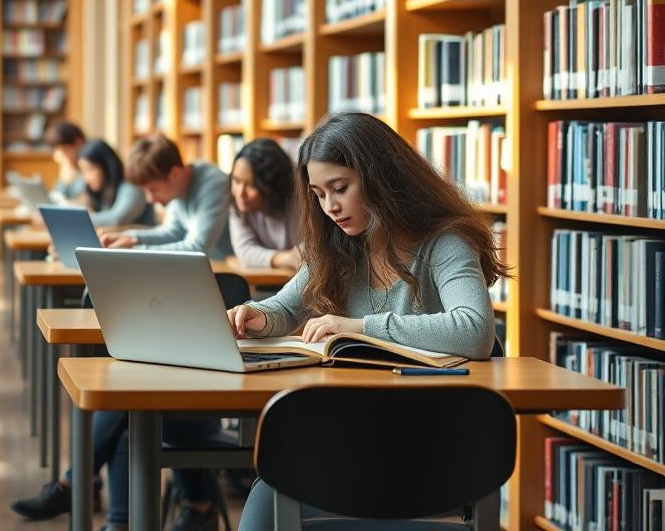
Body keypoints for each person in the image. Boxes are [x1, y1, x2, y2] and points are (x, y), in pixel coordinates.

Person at [228, 112, 504, 530]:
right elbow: (285, 308)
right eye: (319, 194)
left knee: (276, 486)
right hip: (349, 440)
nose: (330, 207)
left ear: (381, 177)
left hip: (434, 450)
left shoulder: (444, 242)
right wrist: (256, 317)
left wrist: (359, 327)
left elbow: (475, 330)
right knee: (270, 487)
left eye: (340, 189)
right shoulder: (339, 246)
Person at [100, 135, 233, 259]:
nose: (149, 199)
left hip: (231, 271)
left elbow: (198, 248)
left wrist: (136, 251)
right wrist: (131, 238)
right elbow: (173, 232)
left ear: (174, 174)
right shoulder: (178, 186)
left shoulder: (213, 183)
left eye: (153, 189)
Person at [227, 137, 301, 269]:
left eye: (251, 185)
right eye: (236, 181)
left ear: (271, 186)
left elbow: (311, 251)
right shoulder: (238, 204)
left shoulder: (300, 197)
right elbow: (245, 252)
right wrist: (288, 258)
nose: (240, 193)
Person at [78, 138, 156, 227]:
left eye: (89, 170)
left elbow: (116, 219)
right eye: (83, 172)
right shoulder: (103, 190)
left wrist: (81, 218)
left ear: (106, 166)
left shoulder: (131, 186)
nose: (86, 178)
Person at [44, 121, 88, 201]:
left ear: (78, 143)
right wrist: (64, 180)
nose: (58, 157)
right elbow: (57, 198)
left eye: (64, 150)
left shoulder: (90, 167)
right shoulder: (68, 167)